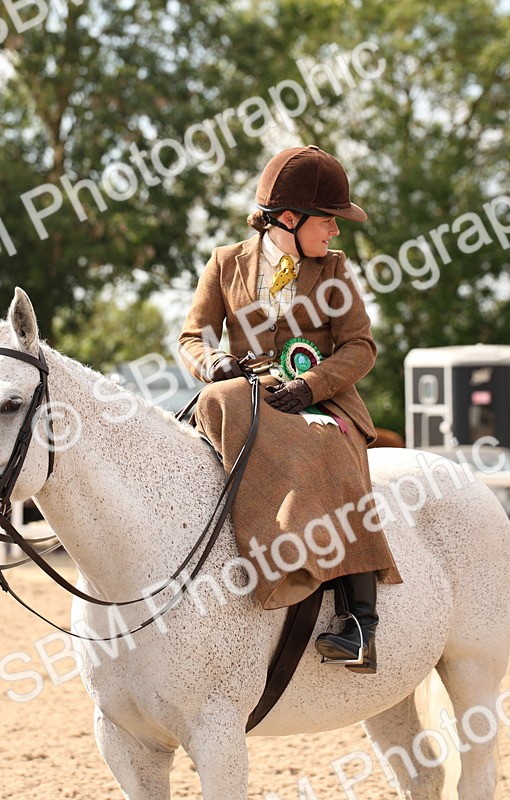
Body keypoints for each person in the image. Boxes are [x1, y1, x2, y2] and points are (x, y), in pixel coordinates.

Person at [178, 145, 401, 674]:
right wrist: (213, 364)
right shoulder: (225, 263)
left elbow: (360, 347)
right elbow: (192, 337)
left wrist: (310, 385)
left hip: (318, 398)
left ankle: (359, 622)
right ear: (291, 219)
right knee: (211, 406)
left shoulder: (335, 272)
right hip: (246, 392)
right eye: (330, 220)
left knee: (328, 444)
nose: (336, 231)